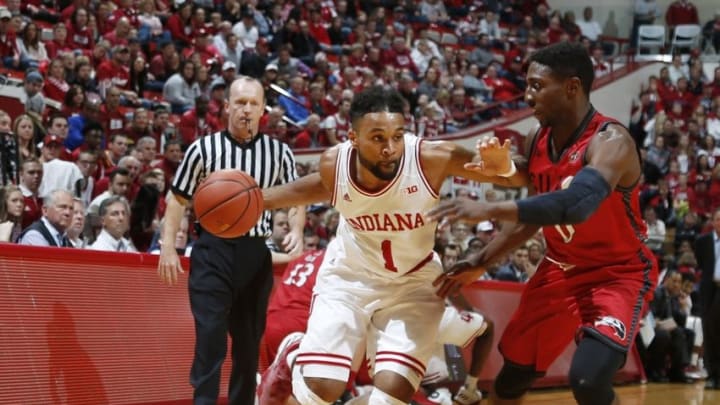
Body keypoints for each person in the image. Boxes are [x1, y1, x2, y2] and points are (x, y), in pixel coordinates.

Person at [258, 85, 524, 405]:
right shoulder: (335, 163)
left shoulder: (432, 158)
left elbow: (523, 178)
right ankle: (291, 357)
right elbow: (309, 189)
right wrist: (257, 200)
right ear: (353, 138)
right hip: (350, 277)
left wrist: (504, 168)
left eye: (397, 135)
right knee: (322, 390)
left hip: (412, 282)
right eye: (378, 137)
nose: (390, 148)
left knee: (392, 394)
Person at [426, 42, 658, 405]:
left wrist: (490, 209)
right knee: (511, 379)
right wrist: (481, 260)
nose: (527, 95)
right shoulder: (538, 139)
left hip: (617, 273)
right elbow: (534, 209)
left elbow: (576, 204)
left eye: (537, 85)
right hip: (560, 271)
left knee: (587, 380)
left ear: (571, 87)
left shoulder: (612, 142)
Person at [157, 76, 305, 405]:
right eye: (240, 103)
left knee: (248, 344)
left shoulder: (278, 152)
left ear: (262, 110)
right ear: (226, 107)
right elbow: (178, 199)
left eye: (254, 104)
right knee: (210, 337)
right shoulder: (203, 149)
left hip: (255, 252)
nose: (246, 110)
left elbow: (297, 198)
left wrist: (296, 229)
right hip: (212, 250)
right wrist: (168, 247)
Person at [261, 248, 492, 405]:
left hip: (273, 323)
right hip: (307, 326)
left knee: (309, 395)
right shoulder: (362, 265)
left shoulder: (314, 255)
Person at [694, 206, 720, 390]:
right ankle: (713, 375)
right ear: (712, 221)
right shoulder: (702, 241)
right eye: (718, 219)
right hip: (709, 289)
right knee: (709, 333)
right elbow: (701, 264)